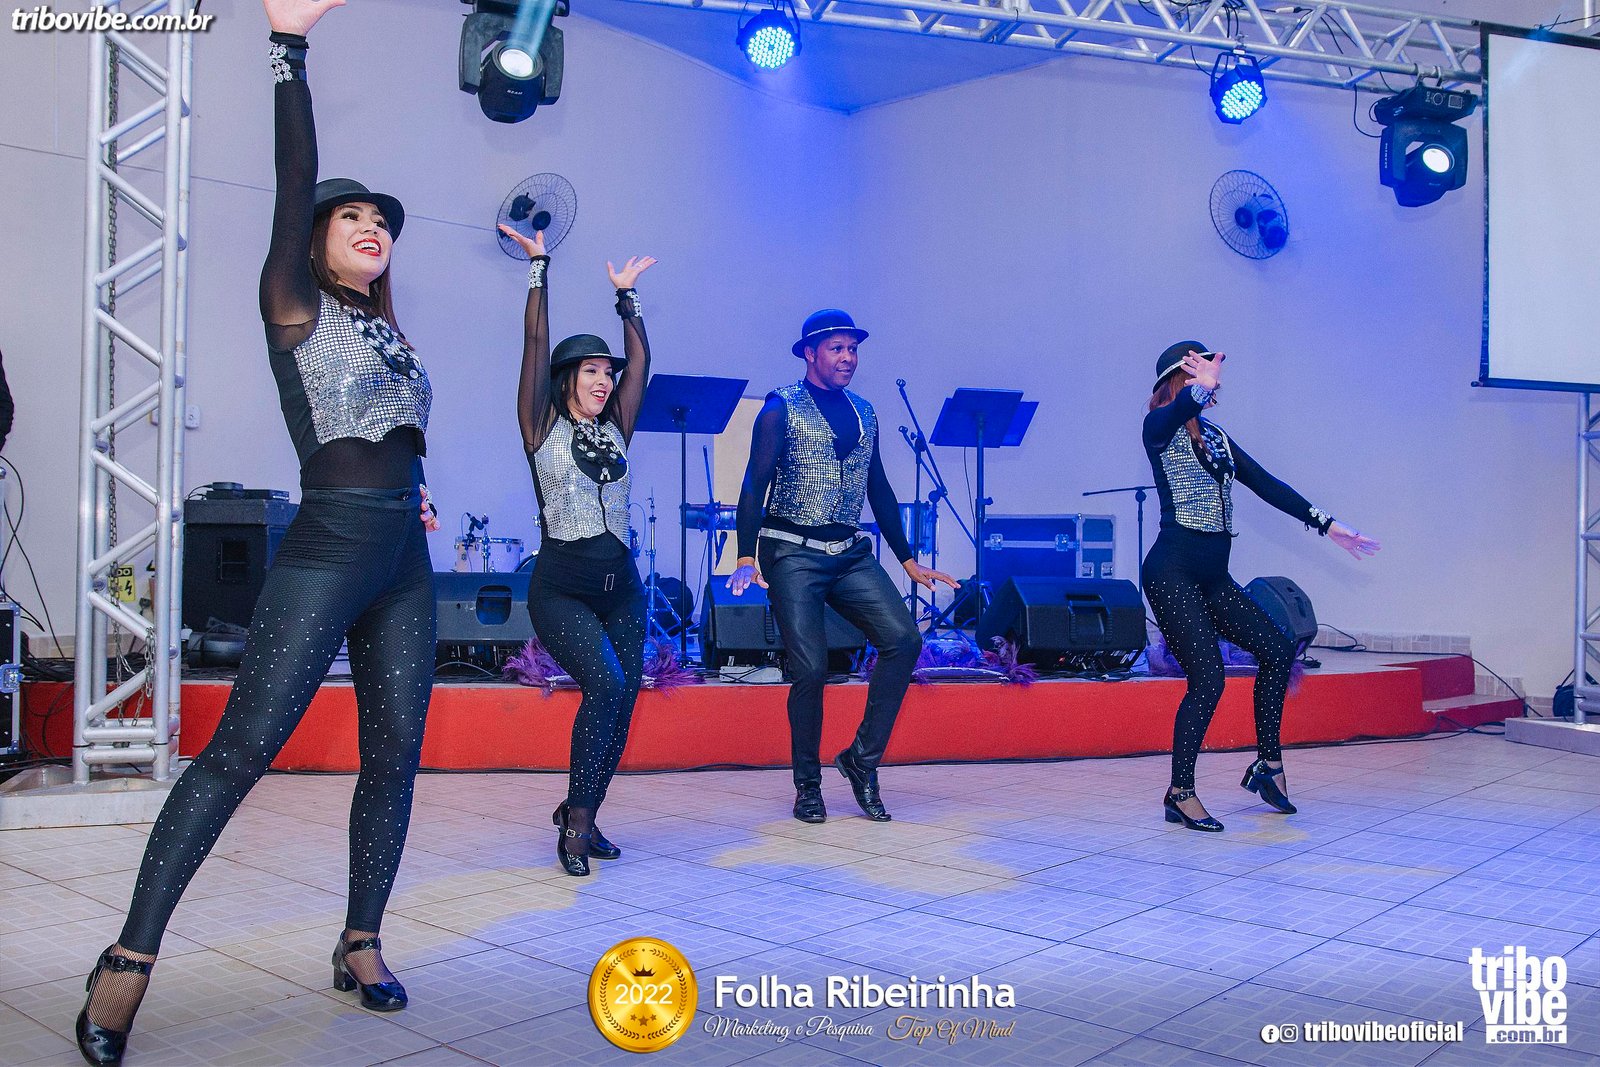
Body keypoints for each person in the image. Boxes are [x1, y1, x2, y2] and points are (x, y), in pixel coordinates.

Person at [77, 2, 443, 1061]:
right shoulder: (294, 301)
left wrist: (417, 490)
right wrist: (290, 50)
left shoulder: (385, 326)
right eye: (350, 216)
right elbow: (296, 181)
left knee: (395, 756)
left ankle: (360, 938)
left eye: (381, 220)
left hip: (403, 559)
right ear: (314, 243)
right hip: (326, 550)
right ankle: (128, 957)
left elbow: (391, 427)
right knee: (240, 751)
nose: (370, 226)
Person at [729, 310, 955, 824]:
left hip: (849, 552)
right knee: (810, 668)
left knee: (904, 640)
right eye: (837, 348)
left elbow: (879, 488)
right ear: (810, 353)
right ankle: (808, 786)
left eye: (853, 349)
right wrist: (746, 554)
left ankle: (861, 760)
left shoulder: (865, 411)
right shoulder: (780, 408)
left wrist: (907, 558)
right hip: (792, 552)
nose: (848, 358)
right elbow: (753, 484)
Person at [1142, 341, 1379, 832]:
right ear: (1181, 378)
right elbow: (1176, 411)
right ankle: (1179, 793)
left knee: (1277, 648)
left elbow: (1266, 484)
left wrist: (1328, 525)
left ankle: (1268, 764)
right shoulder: (1158, 427)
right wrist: (1199, 389)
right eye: (1201, 372)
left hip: (1213, 577)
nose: (1214, 382)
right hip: (1171, 572)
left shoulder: (1217, 437)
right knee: (1208, 679)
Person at [502, 222, 656, 877]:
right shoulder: (540, 425)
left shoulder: (617, 425)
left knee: (621, 701)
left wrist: (627, 299)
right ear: (567, 378)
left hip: (622, 589)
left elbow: (642, 364)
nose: (604, 380)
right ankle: (576, 826)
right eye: (591, 371)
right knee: (605, 682)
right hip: (561, 588)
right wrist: (538, 269)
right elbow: (535, 344)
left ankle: (582, 810)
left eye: (607, 372)